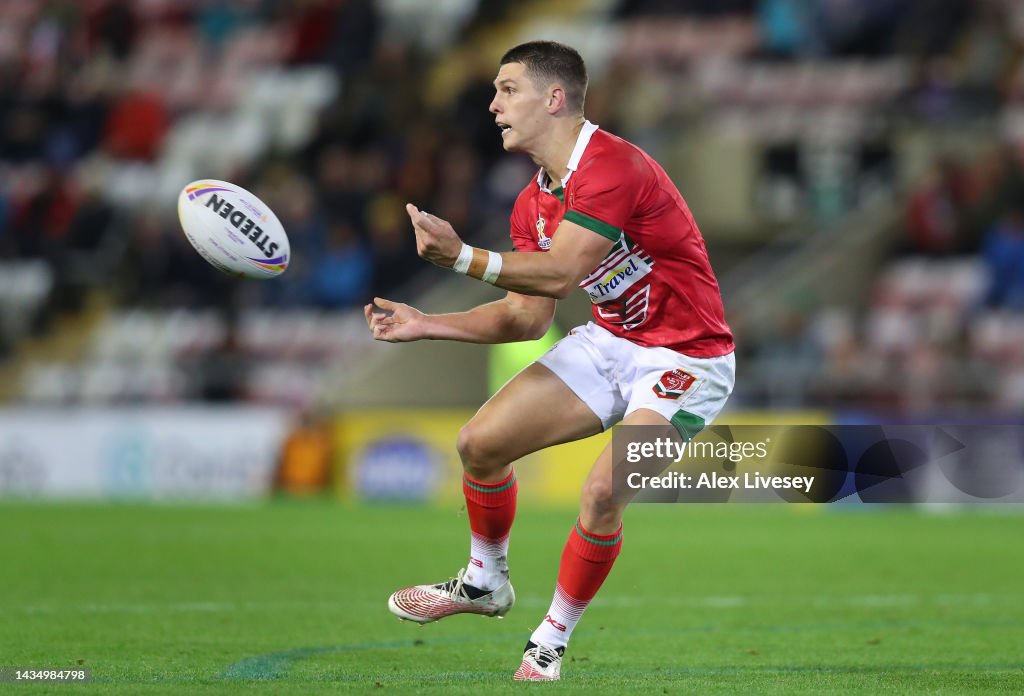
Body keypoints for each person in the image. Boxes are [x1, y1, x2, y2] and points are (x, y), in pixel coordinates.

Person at [363, 40, 735, 681]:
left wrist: (460, 258)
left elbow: (562, 273)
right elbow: (524, 316)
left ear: (554, 98)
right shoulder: (532, 202)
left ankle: (551, 638)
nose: (493, 104)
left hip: (688, 358)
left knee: (600, 492)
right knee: (479, 444)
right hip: (611, 341)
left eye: (508, 89)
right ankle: (485, 581)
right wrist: (429, 324)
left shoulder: (614, 166)